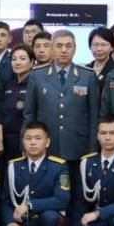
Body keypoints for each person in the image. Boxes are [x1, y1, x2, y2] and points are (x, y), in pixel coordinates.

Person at [0, 122, 70, 226]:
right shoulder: (13, 166)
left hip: (44, 224)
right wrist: (11, 224)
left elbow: (62, 200)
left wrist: (30, 205)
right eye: (28, 138)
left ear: (47, 142)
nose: (33, 142)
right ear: (23, 142)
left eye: (37, 138)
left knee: (51, 217)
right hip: (22, 224)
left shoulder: (58, 166)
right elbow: (5, 201)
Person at [25, 30, 99, 164]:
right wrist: (26, 144)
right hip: (45, 147)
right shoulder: (37, 75)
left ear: (75, 49)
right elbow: (30, 114)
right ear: (52, 48)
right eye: (59, 46)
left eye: (68, 46)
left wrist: (93, 149)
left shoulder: (88, 76)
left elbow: (94, 117)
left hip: (78, 147)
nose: (64, 50)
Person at [2, 45, 36, 161]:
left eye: (22, 58)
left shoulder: (34, 84)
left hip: (24, 141)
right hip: (5, 142)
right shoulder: (9, 84)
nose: (17, 62)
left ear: (31, 63)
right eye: (14, 59)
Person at [86, 27, 114, 97]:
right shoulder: (85, 69)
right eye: (95, 45)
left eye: (103, 45)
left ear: (112, 47)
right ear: (90, 46)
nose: (99, 49)